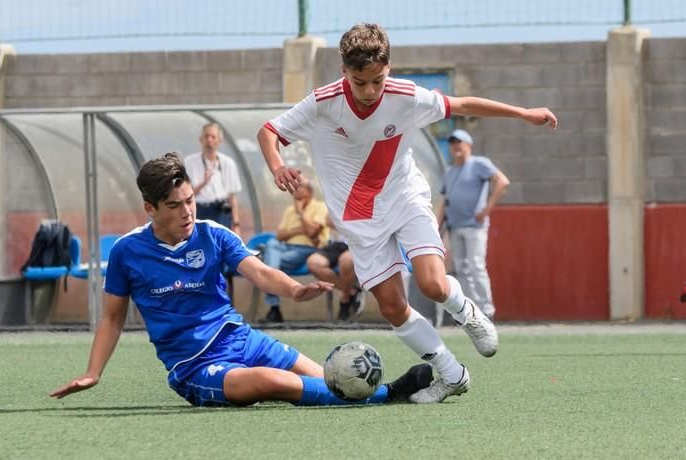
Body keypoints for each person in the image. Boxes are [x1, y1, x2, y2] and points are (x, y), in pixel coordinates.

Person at [258, 23, 557, 404]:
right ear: (344, 72)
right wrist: (277, 166)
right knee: (392, 306)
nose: (369, 92)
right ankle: (452, 374)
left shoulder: (406, 95)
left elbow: (462, 104)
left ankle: (468, 313)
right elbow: (269, 131)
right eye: (359, 82)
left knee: (432, 283)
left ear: (389, 69)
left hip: (405, 198)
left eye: (377, 81)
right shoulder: (322, 102)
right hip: (359, 219)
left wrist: (524, 113)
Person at [49, 153, 433, 407]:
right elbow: (112, 317)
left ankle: (372, 393)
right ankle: (388, 395)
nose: (186, 211)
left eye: (189, 201)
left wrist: (296, 290)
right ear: (150, 208)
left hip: (243, 339)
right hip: (196, 367)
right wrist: (92, 372)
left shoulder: (213, 234)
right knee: (274, 382)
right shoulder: (127, 251)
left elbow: (262, 273)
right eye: (174, 206)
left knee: (327, 375)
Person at [436, 129, 510, 320]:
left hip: (474, 226)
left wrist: (486, 210)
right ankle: (471, 311)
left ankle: (487, 310)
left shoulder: (479, 164)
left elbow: (502, 182)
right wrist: (436, 226)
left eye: (459, 142)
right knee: (462, 268)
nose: (455, 146)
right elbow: (445, 200)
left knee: (476, 266)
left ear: (469, 144)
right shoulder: (450, 171)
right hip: (455, 226)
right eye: (452, 143)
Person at [184, 123, 242, 297]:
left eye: (213, 137)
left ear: (219, 141)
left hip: (221, 211)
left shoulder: (227, 163)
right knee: (200, 255)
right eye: (206, 136)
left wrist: (236, 223)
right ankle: (202, 295)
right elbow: (186, 194)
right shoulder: (190, 162)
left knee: (222, 254)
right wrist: (203, 182)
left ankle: (222, 296)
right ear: (201, 140)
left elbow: (232, 196)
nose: (209, 141)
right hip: (201, 210)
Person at [260, 179, 329, 323]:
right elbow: (280, 236)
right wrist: (299, 229)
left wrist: (300, 213)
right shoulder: (289, 210)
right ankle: (268, 267)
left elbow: (312, 234)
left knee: (265, 267)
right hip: (284, 248)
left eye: (299, 186)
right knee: (272, 243)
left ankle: (274, 308)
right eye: (294, 186)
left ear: (309, 191)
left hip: (308, 250)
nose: (295, 189)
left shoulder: (320, 207)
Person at [306, 215, 363, 321]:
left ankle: (345, 299)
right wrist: (353, 225)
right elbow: (328, 220)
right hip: (335, 245)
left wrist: (343, 224)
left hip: (358, 243)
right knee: (313, 263)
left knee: (346, 261)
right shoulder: (337, 199)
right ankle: (352, 292)